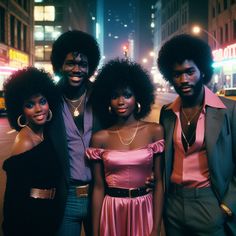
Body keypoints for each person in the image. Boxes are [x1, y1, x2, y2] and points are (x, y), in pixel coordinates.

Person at [157, 34, 236, 236]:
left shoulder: (228, 110)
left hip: (210, 202)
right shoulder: (167, 113)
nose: (183, 79)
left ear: (202, 71)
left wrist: (228, 205)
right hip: (173, 203)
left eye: (190, 72)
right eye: (176, 74)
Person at [86, 58, 165, 236]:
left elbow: (159, 182)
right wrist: (96, 231)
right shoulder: (100, 138)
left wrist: (156, 228)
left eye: (127, 95)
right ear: (108, 100)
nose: (121, 101)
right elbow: (98, 188)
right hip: (112, 210)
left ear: (138, 98)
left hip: (144, 208)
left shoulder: (155, 131)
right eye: (115, 96)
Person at [48, 30, 101, 236]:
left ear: (90, 67)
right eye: (70, 63)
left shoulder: (102, 97)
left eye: (83, 64)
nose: (77, 69)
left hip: (99, 193)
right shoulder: (50, 99)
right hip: (66, 195)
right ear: (60, 65)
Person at [2, 67, 64, 236]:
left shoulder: (48, 135)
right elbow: (14, 198)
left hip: (51, 212)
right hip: (31, 217)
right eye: (30, 105)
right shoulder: (24, 141)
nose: (38, 109)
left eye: (42, 101)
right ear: (20, 110)